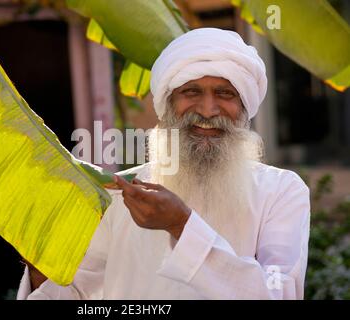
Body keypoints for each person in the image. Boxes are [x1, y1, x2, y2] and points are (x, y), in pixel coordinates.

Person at [17, 28, 310, 300]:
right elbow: (76, 293)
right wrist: (38, 259)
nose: (208, 110)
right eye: (191, 92)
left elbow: (279, 293)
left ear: (244, 107)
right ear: (167, 106)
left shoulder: (280, 191)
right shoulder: (120, 193)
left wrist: (181, 225)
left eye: (225, 93)